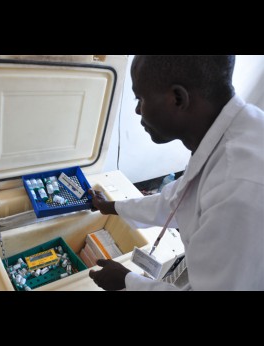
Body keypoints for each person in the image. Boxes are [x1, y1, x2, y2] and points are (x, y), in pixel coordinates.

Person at [88, 55, 264, 291]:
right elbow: (174, 201)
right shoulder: (226, 133)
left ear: (178, 98)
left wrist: (127, 281)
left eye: (140, 98)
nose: (138, 109)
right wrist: (109, 207)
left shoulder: (238, 188)